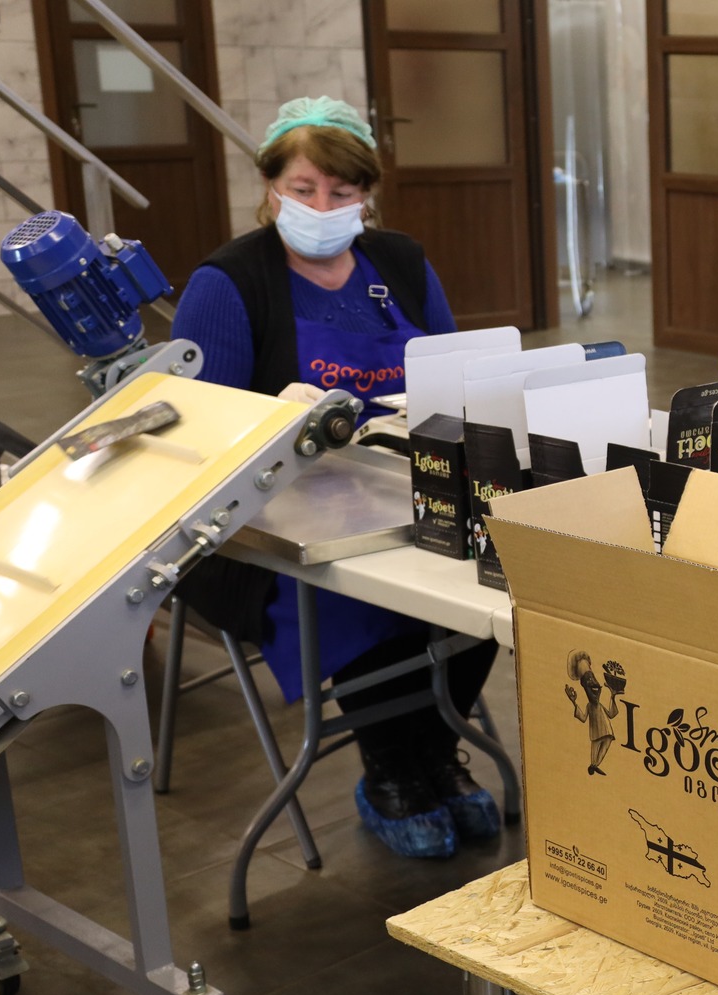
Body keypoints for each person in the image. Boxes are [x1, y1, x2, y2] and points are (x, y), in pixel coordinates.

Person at [171, 96, 499, 861]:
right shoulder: (229, 282)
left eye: (341, 192)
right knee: (365, 597)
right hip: (272, 525)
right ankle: (391, 769)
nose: (321, 207)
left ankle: (432, 752)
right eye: (303, 189)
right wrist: (270, 424)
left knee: (486, 583)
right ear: (271, 187)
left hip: (402, 487)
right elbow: (199, 432)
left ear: (366, 196)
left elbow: (452, 373)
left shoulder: (401, 264)